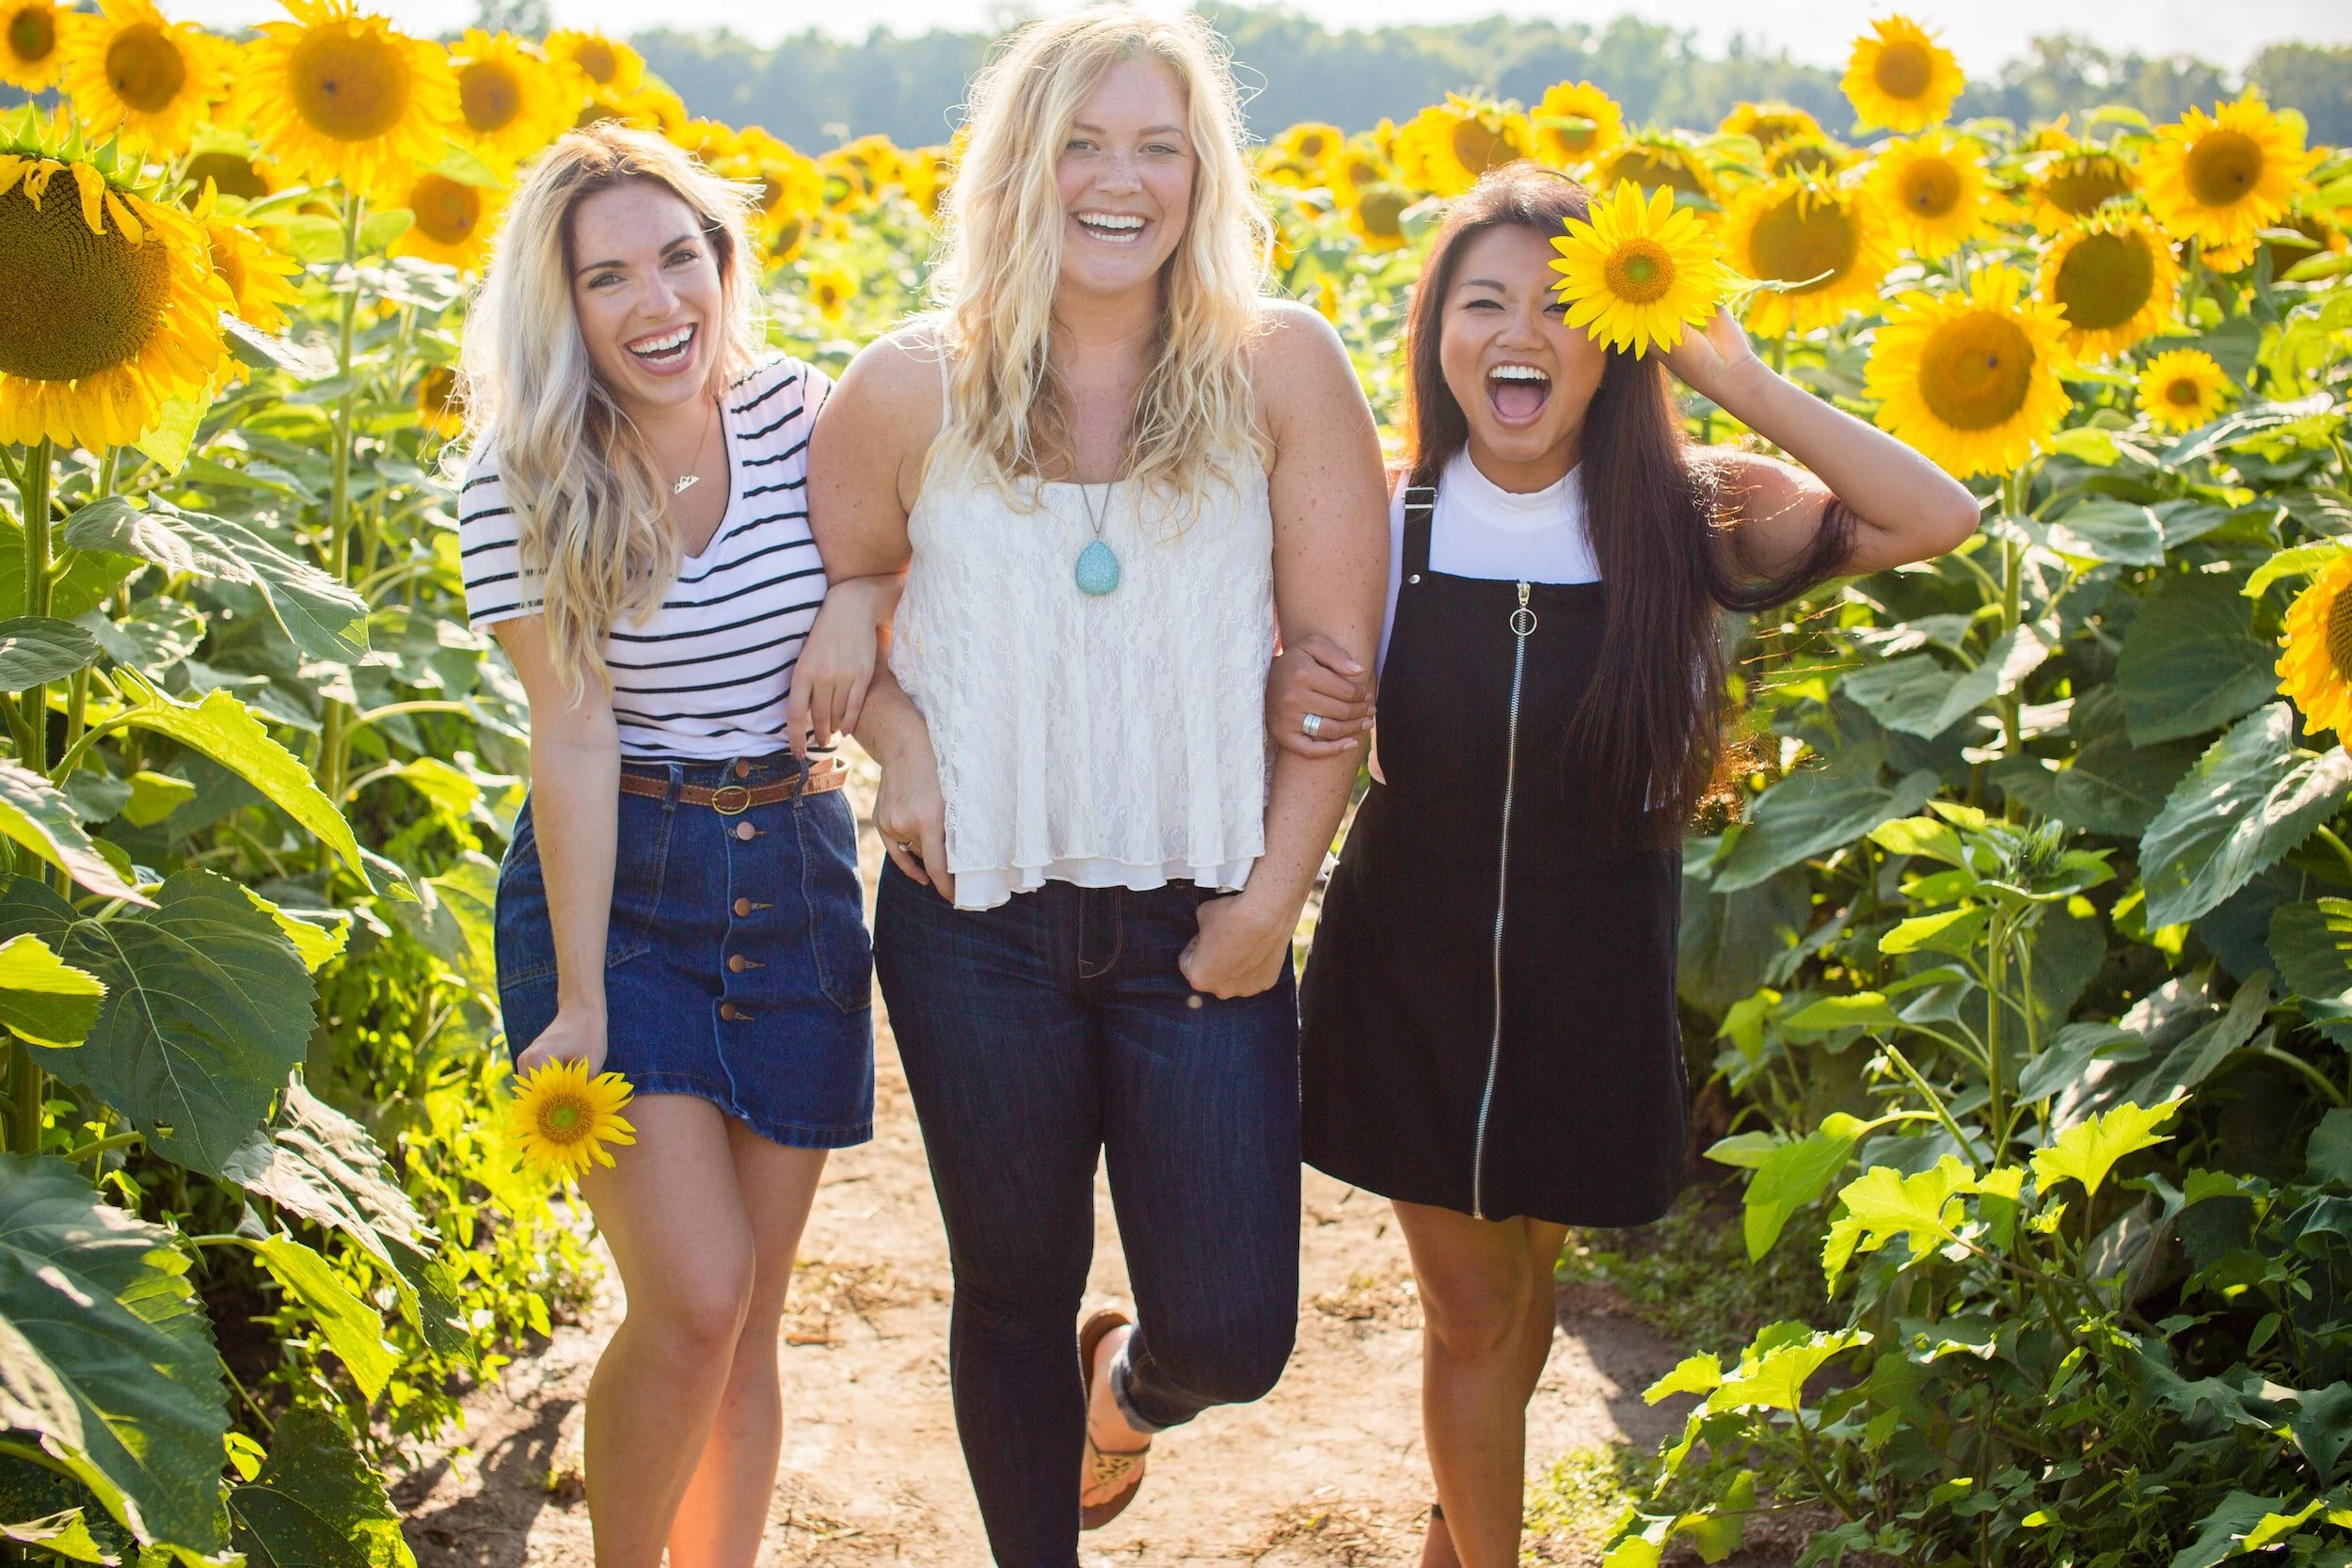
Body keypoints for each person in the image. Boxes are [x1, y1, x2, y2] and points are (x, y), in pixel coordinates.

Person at [1269, 165, 1982, 1568]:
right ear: (1438, 334)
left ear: (1618, 338)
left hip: (1595, 968)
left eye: (1559, 303)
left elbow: (1935, 514)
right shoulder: (1386, 511)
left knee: (1527, 1288)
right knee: (1473, 1312)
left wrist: (1742, 379)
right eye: (1483, 301)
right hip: (1410, 967)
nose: (1517, 330)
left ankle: (1452, 1506)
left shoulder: (1689, 513)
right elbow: (1284, 683)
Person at [795, 7, 1388, 1559]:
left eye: (1157, 146)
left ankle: (1126, 1393)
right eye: (1080, 142)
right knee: (1008, 1282)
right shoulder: (908, 387)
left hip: (1204, 930)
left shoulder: (1282, 369)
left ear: (1205, 175)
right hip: (971, 919)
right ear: (1018, 164)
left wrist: (1270, 908)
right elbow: (847, 596)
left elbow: (1335, 685)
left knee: (1238, 1329)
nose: (1117, 181)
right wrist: (901, 739)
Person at [456, 123, 876, 1568]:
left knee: (751, 1311)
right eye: (610, 276)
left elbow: (889, 560)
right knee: (691, 1296)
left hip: (799, 872)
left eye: (679, 258)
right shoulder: (520, 473)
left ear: (723, 264)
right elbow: (571, 735)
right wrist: (577, 993)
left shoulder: (804, 417)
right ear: (561, 306)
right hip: (619, 887)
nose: (657, 303)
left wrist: (857, 600)